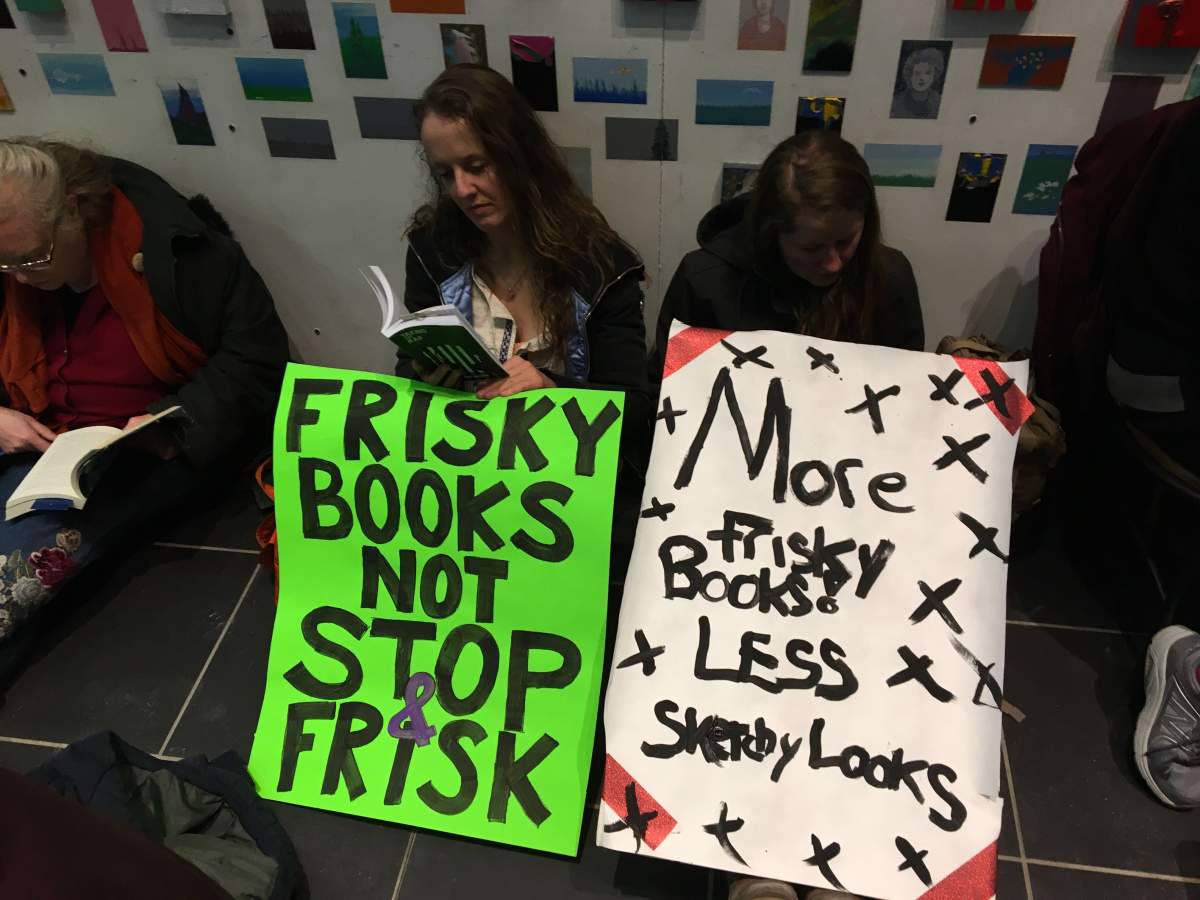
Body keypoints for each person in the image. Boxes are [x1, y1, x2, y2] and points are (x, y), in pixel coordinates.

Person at [0, 138, 289, 649]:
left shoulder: (178, 250)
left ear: (74, 210)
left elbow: (255, 358)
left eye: (34, 258)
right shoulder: (11, 265)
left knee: (15, 572)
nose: (21, 277)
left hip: (136, 449)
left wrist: (174, 422)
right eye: (8, 265)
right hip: (31, 433)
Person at [399, 64, 651, 580]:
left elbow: (635, 411)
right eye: (446, 174)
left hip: (570, 499)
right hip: (466, 486)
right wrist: (422, 370)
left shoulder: (599, 264)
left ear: (519, 158)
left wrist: (550, 387)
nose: (463, 190)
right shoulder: (434, 250)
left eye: (477, 165)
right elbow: (410, 373)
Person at [651, 131, 923, 381]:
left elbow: (907, 387)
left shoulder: (890, 275)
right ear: (773, 232)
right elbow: (662, 390)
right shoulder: (704, 281)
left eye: (845, 241)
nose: (833, 263)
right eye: (811, 248)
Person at [890, 46, 945, 120]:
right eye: (917, 73)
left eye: (928, 73)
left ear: (934, 75)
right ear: (909, 75)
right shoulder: (896, 103)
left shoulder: (939, 102)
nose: (922, 78)